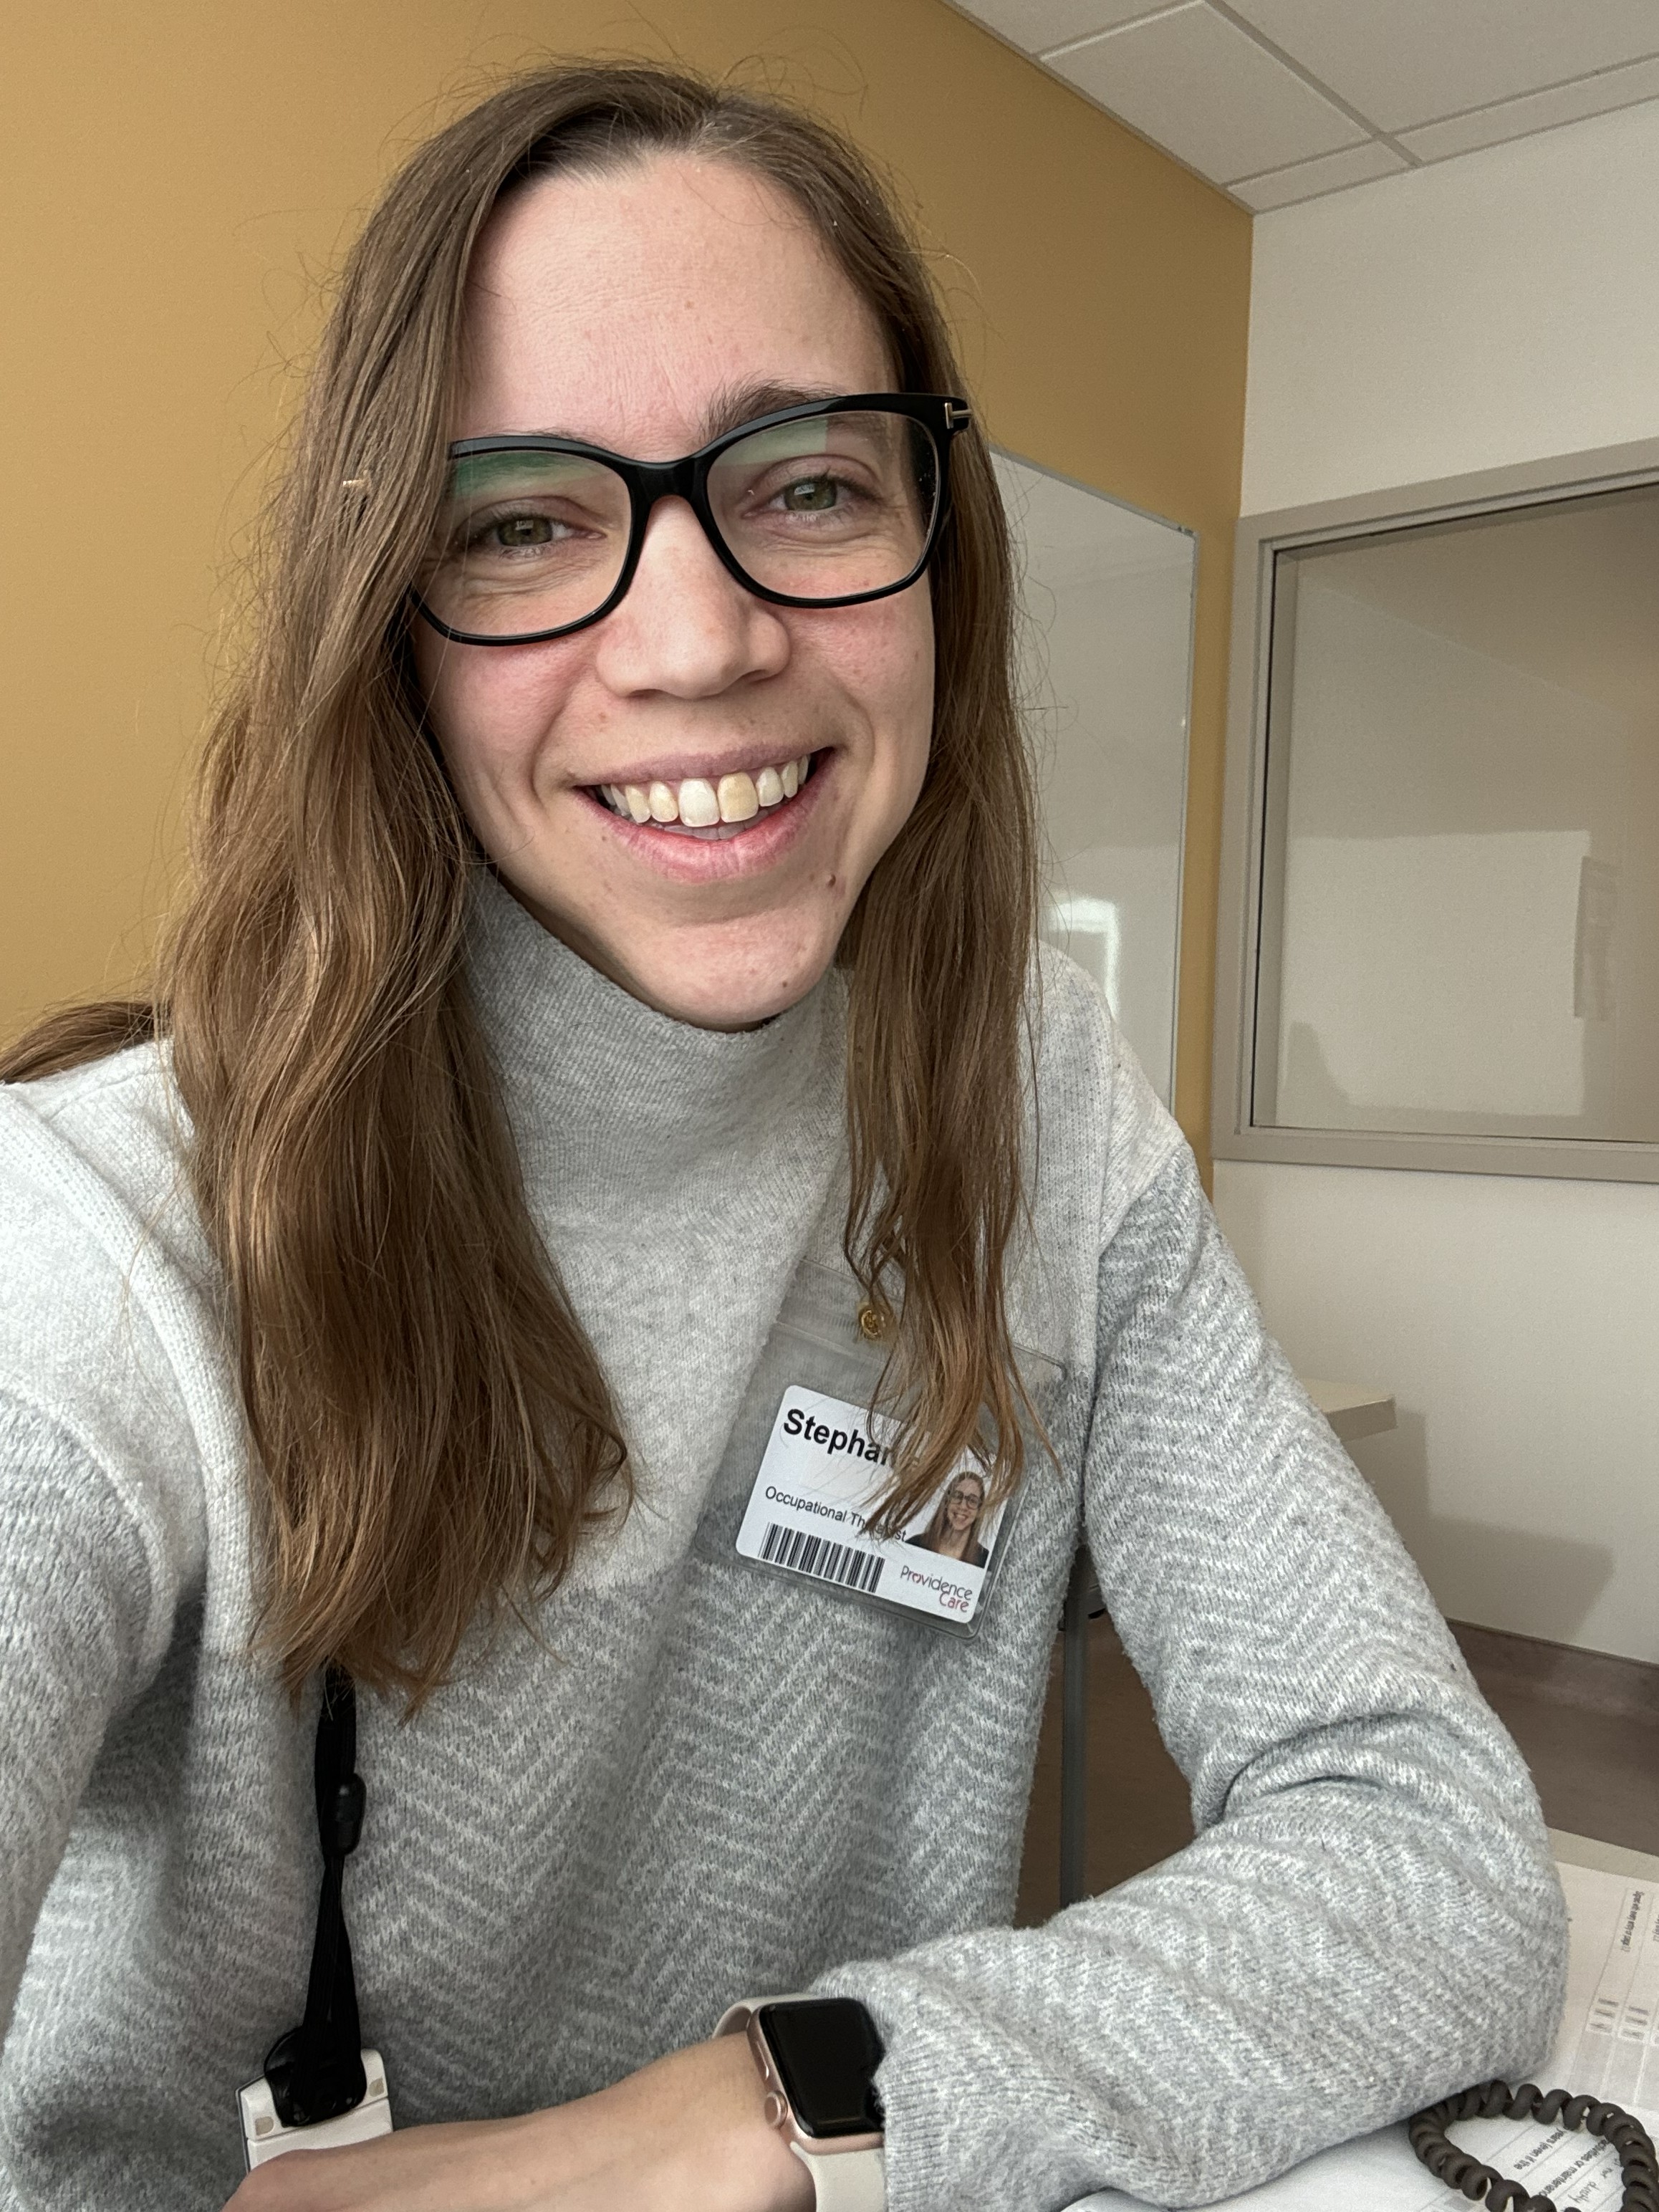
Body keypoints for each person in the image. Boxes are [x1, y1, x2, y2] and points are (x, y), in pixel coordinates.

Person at [0, 60, 1566, 2212]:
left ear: (938, 548)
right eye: (522, 523)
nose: (700, 641)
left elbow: (1435, 1850)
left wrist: (759, 2108)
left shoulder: (1034, 1114)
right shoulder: (97, 1244)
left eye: (807, 483)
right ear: (385, 628)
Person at [905, 1472, 991, 1568]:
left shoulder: (986, 1562)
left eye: (972, 1501)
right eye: (957, 1496)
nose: (963, 1506)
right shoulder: (914, 1545)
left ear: (979, 1510)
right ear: (947, 1502)